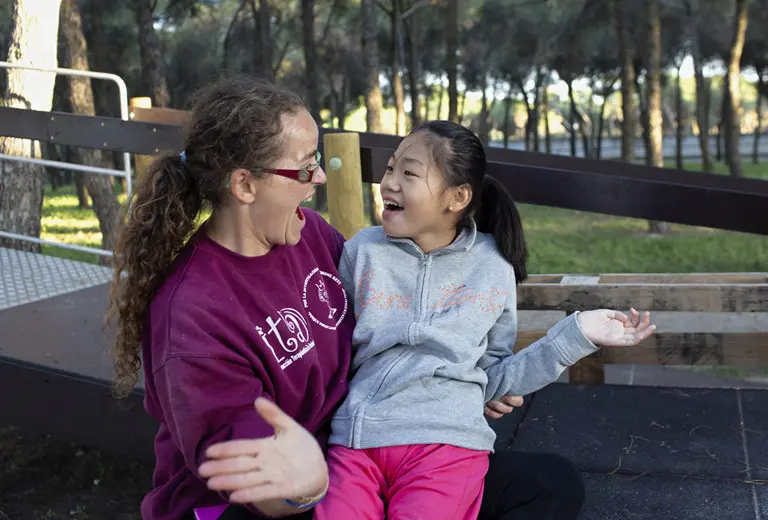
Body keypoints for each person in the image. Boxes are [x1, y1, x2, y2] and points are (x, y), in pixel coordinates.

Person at [107, 75, 599, 520]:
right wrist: (309, 484)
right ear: (244, 184)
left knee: (548, 485)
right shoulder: (192, 316)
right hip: (263, 501)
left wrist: (449, 382)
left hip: (359, 453)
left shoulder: (314, 237)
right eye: (303, 169)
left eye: (316, 162)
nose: (319, 178)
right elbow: (255, 480)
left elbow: (388, 327)